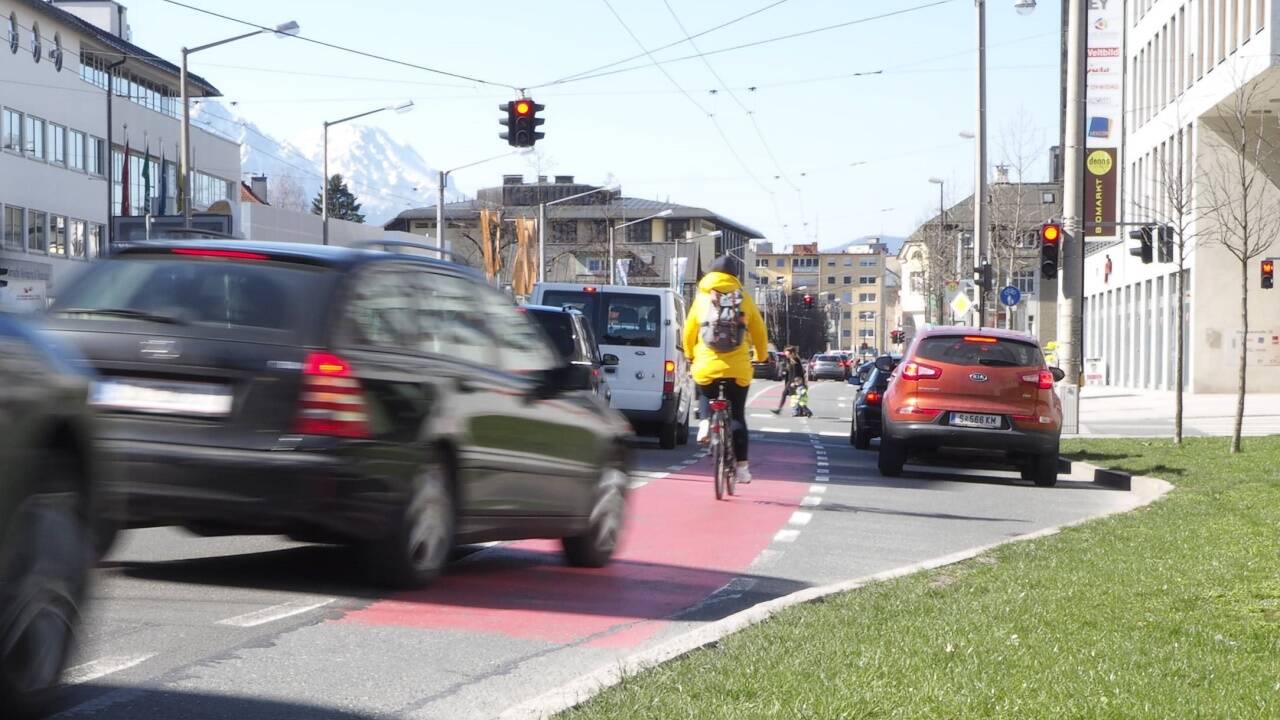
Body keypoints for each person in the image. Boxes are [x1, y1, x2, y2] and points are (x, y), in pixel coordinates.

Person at [683, 256, 768, 484]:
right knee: (738, 415)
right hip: (738, 369)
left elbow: (689, 331)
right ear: (735, 277)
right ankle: (741, 468)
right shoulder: (745, 299)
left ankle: (704, 422)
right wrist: (761, 356)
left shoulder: (701, 300)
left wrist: (690, 354)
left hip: (707, 364)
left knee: (704, 386)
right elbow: (759, 331)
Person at [773, 346, 807, 414]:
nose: (785, 353)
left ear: (790, 353)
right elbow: (789, 372)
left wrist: (795, 382)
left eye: (786, 352)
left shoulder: (795, 360)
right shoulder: (790, 360)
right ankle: (779, 409)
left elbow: (797, 372)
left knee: (797, 396)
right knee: (788, 394)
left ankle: (803, 410)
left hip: (795, 381)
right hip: (790, 381)